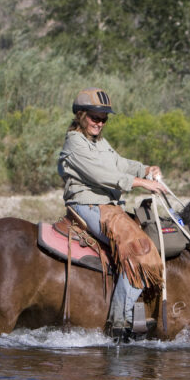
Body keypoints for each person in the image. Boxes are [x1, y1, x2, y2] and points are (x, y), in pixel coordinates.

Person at [57, 88, 167, 340]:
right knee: (137, 248)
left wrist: (145, 168)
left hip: (108, 206)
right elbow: (101, 175)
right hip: (88, 205)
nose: (100, 123)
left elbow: (119, 163)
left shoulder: (99, 142)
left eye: (104, 118)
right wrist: (141, 182)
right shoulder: (74, 143)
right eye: (95, 117)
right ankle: (119, 322)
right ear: (81, 115)